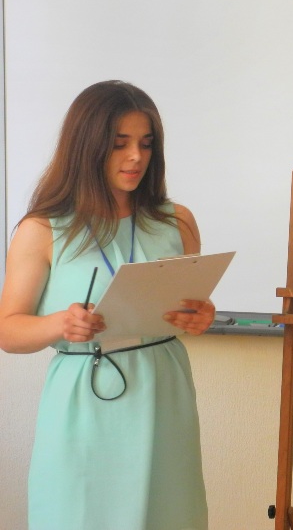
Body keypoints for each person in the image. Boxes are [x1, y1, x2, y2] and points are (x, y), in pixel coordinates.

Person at [0, 81, 215, 530]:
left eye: (146, 144)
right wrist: (59, 324)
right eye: (120, 144)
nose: (136, 157)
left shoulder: (177, 221)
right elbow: (8, 330)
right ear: (86, 146)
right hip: (84, 396)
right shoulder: (42, 228)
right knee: (80, 513)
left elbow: (190, 307)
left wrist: (200, 316)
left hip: (163, 389)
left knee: (167, 513)